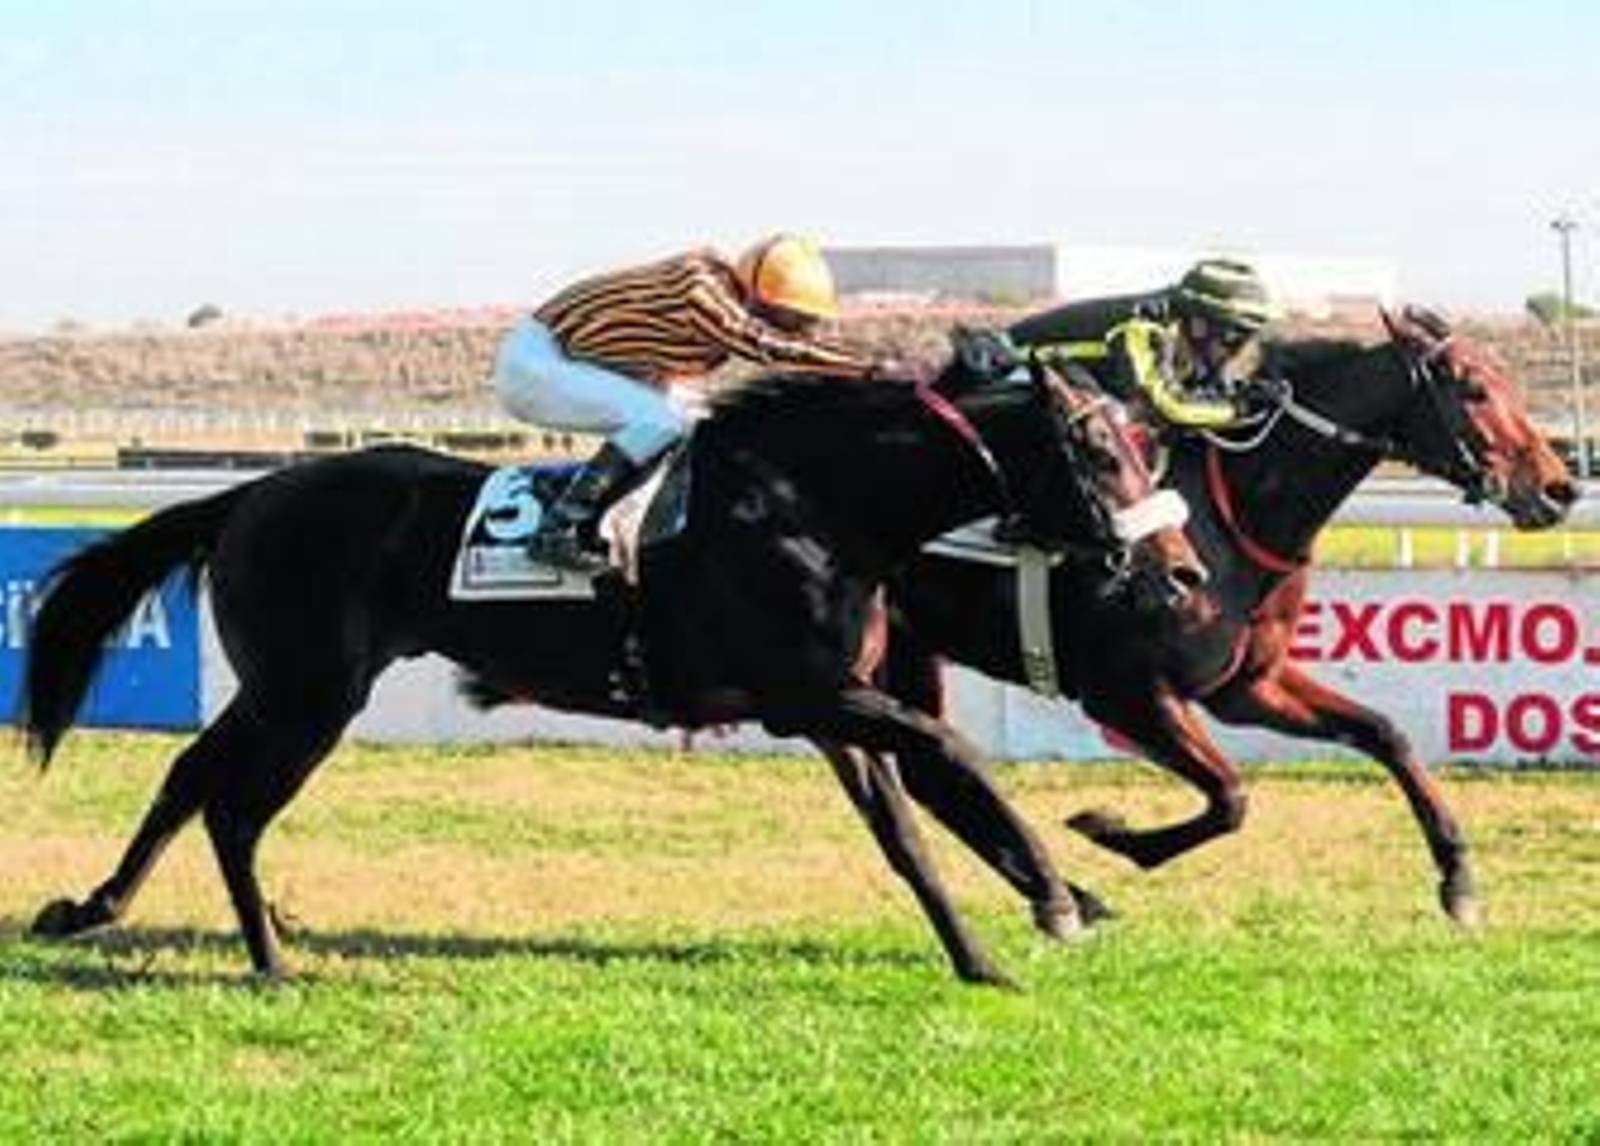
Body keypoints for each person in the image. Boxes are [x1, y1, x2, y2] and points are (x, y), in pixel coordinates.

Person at [493, 235, 880, 571]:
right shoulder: (702, 292)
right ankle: (555, 530)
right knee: (660, 421)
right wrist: (871, 367)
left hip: (566, 358)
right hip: (535, 362)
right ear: (760, 300)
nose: (799, 330)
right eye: (792, 318)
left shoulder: (724, 294)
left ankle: (639, 526)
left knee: (696, 418)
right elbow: (763, 345)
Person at [1007, 256, 1280, 434]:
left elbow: (1205, 391)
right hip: (1010, 366)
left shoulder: (1185, 332)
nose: (1238, 348)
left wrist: (1237, 394)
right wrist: (1239, 408)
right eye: (1234, 335)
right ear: (1199, 323)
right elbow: (1167, 405)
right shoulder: (1144, 326)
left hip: (1067, 377)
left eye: (1248, 337)